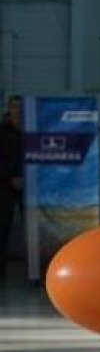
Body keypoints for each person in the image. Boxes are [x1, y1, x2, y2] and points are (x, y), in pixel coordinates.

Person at [0, 96, 23, 279]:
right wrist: (9, 179)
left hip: (28, 186)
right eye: (14, 106)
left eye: (20, 107)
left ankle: (34, 271)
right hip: (4, 186)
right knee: (3, 227)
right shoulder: (2, 131)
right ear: (8, 108)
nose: (17, 110)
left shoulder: (31, 129)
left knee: (33, 227)